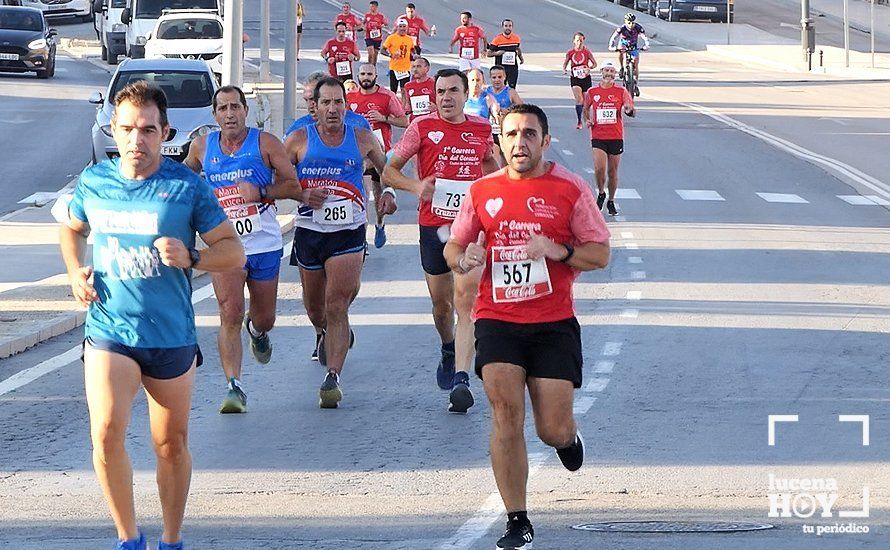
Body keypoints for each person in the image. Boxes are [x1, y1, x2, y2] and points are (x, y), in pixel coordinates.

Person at [59, 81, 245, 550]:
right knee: (104, 433)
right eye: (126, 130)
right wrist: (74, 272)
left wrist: (194, 257)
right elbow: (71, 227)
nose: (135, 140)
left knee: (170, 445)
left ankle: (171, 538)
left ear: (165, 132)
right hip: (109, 328)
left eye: (146, 130)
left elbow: (233, 251)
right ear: (113, 131)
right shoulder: (95, 181)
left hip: (169, 334)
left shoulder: (186, 187)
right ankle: (128, 538)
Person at [444, 103, 611, 550]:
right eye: (512, 134)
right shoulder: (481, 191)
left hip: (553, 321)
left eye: (530, 134)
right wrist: (466, 258)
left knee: (550, 429)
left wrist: (557, 250)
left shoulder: (570, 189)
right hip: (498, 319)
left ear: (545, 141)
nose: (520, 143)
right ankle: (517, 519)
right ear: (500, 141)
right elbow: (454, 247)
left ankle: (567, 438)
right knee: (504, 413)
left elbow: (599, 254)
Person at [244, 77, 397, 408]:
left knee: (337, 304)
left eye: (337, 102)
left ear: (346, 105)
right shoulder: (299, 139)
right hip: (311, 232)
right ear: (314, 107)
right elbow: (275, 180)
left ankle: (333, 377)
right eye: (325, 103)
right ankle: (323, 331)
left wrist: (388, 192)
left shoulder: (361, 138)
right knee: (316, 308)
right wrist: (300, 193)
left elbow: (389, 169)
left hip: (349, 231)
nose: (332, 109)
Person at [383, 68, 499, 414]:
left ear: (466, 95)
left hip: (470, 230)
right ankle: (448, 347)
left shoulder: (480, 128)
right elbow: (390, 169)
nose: (445, 97)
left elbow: (492, 166)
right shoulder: (422, 128)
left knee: (467, 302)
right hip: (433, 227)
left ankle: (462, 379)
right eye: (440, 92)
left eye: (452, 91)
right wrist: (417, 188)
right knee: (442, 306)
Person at [183, 86, 294, 414]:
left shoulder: (266, 143)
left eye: (235, 107)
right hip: (225, 243)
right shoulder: (203, 145)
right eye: (223, 108)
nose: (229, 114)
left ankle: (257, 331)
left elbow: (293, 185)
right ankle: (234, 386)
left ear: (246, 111)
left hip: (264, 242)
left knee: (265, 317)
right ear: (215, 115)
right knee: (229, 312)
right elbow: (185, 173)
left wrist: (260, 191)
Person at [347, 63, 408, 248]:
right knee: (362, 195)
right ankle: (361, 237)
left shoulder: (386, 96)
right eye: (363, 74)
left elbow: (404, 121)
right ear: (358, 76)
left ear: (375, 76)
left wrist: (384, 119)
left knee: (378, 193)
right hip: (358, 154)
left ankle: (380, 224)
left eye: (369, 74)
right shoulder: (350, 97)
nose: (366, 77)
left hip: (381, 153)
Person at [583, 62, 635, 217]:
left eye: (612, 71)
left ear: (615, 74)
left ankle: (611, 200)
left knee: (612, 172)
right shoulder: (592, 91)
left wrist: (628, 110)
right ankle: (600, 192)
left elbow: (630, 108)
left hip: (616, 136)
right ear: (601, 72)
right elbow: (586, 108)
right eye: (607, 70)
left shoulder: (621, 91)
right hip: (598, 135)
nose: (609, 74)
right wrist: (588, 119)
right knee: (599, 169)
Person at [287, 71, 372, 137]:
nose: (310, 105)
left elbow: (376, 157)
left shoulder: (359, 124)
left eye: (313, 99)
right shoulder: (298, 127)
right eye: (306, 100)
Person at [485, 65, 523, 165]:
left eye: (500, 77)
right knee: (491, 158)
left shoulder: (510, 92)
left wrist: (508, 111)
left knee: (506, 157)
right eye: (494, 77)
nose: (497, 80)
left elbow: (522, 109)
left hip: (505, 130)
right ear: (490, 78)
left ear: (504, 77)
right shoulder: (486, 92)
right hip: (489, 130)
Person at [562, 32, 597, 130]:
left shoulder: (587, 52)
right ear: (574, 41)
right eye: (577, 40)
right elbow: (565, 63)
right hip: (575, 78)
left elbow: (595, 63)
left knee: (586, 101)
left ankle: (587, 119)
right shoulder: (570, 52)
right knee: (579, 99)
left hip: (586, 78)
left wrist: (589, 68)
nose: (579, 43)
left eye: (581, 40)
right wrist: (564, 70)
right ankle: (579, 121)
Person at [608, 12, 649, 96]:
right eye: (629, 22)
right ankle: (622, 67)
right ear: (625, 22)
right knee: (621, 51)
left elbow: (644, 37)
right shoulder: (622, 28)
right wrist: (611, 46)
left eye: (633, 22)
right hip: (623, 45)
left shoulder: (638, 28)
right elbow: (613, 37)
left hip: (633, 46)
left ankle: (635, 83)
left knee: (636, 62)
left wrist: (646, 45)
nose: (631, 24)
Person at [487, 19, 523, 89]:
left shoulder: (516, 38)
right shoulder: (497, 39)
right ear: (503, 27)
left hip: (513, 68)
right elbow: (489, 54)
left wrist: (521, 58)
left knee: (512, 88)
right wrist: (497, 53)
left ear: (512, 27)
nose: (508, 28)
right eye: (506, 26)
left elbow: (517, 49)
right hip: (501, 68)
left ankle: (510, 99)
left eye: (510, 26)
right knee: (500, 87)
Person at [381, 19, 415, 93]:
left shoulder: (409, 39)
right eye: (400, 26)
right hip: (394, 68)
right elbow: (382, 50)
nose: (402, 28)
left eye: (404, 26)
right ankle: (394, 104)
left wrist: (415, 56)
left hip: (406, 68)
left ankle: (404, 104)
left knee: (405, 90)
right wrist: (391, 55)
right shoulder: (391, 38)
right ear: (397, 27)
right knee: (393, 90)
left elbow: (412, 50)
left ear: (407, 28)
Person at [401, 56, 436, 122]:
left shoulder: (435, 84)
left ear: (427, 68)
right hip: (415, 122)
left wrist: (436, 109)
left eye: (419, 66)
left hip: (431, 121)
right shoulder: (408, 86)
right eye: (414, 67)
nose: (415, 69)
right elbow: (408, 106)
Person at [363, 0, 388, 66]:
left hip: (377, 37)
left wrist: (382, 25)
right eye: (370, 7)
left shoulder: (380, 16)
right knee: (371, 53)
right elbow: (363, 23)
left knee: (375, 54)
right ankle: (369, 65)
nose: (371, 8)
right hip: (369, 36)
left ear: (376, 7)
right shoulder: (367, 15)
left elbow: (386, 24)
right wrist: (364, 28)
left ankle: (373, 67)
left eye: (373, 7)